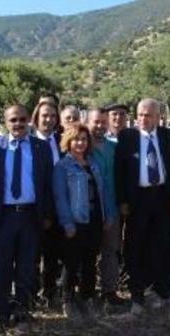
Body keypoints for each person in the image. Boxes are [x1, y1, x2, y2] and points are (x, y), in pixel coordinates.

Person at [114, 98, 170, 313]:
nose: (143, 119)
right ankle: (137, 294)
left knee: (162, 244)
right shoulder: (127, 137)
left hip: (162, 198)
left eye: (148, 115)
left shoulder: (168, 136)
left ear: (158, 117)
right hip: (137, 201)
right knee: (135, 247)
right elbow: (119, 172)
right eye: (140, 115)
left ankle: (161, 289)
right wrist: (123, 201)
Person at [0, 105, 54, 330]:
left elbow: (47, 184)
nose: (18, 124)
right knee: (2, 266)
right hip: (4, 216)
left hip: (30, 215)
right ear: (5, 122)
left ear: (29, 121)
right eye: (13, 120)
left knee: (27, 267)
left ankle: (22, 310)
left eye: (22, 119)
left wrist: (46, 214)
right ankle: (1, 311)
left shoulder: (41, 147)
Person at [53, 124, 111, 320]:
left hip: (94, 218)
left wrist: (106, 215)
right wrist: (67, 223)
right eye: (76, 139)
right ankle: (67, 300)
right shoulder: (62, 166)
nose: (80, 143)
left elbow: (101, 191)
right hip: (75, 221)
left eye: (84, 139)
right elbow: (60, 197)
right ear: (68, 141)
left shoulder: (92, 163)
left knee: (89, 261)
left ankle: (87, 296)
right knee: (71, 263)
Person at [85, 108, 126, 305]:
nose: (100, 126)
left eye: (103, 122)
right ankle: (87, 291)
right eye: (96, 122)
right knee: (88, 252)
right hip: (88, 210)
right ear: (88, 122)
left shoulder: (115, 147)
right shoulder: (82, 147)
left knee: (110, 251)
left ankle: (110, 290)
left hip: (112, 208)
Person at [31, 100, 65, 309]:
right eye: (45, 115)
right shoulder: (28, 142)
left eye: (53, 116)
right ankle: (31, 295)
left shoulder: (63, 140)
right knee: (32, 255)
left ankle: (50, 293)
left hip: (60, 207)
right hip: (35, 207)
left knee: (53, 254)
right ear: (36, 118)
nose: (49, 120)